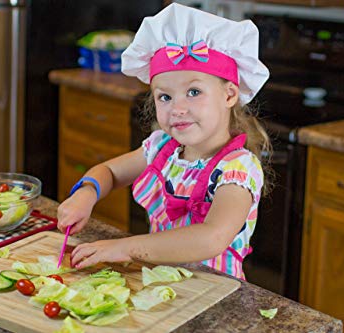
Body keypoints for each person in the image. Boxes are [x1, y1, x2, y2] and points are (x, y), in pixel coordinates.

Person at [57, 3, 272, 280]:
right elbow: (109, 172)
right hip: (162, 285)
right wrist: (85, 193)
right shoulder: (161, 147)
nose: (177, 108)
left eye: (194, 91)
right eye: (165, 97)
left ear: (230, 95)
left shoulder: (238, 167)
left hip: (215, 294)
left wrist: (126, 248)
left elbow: (212, 238)